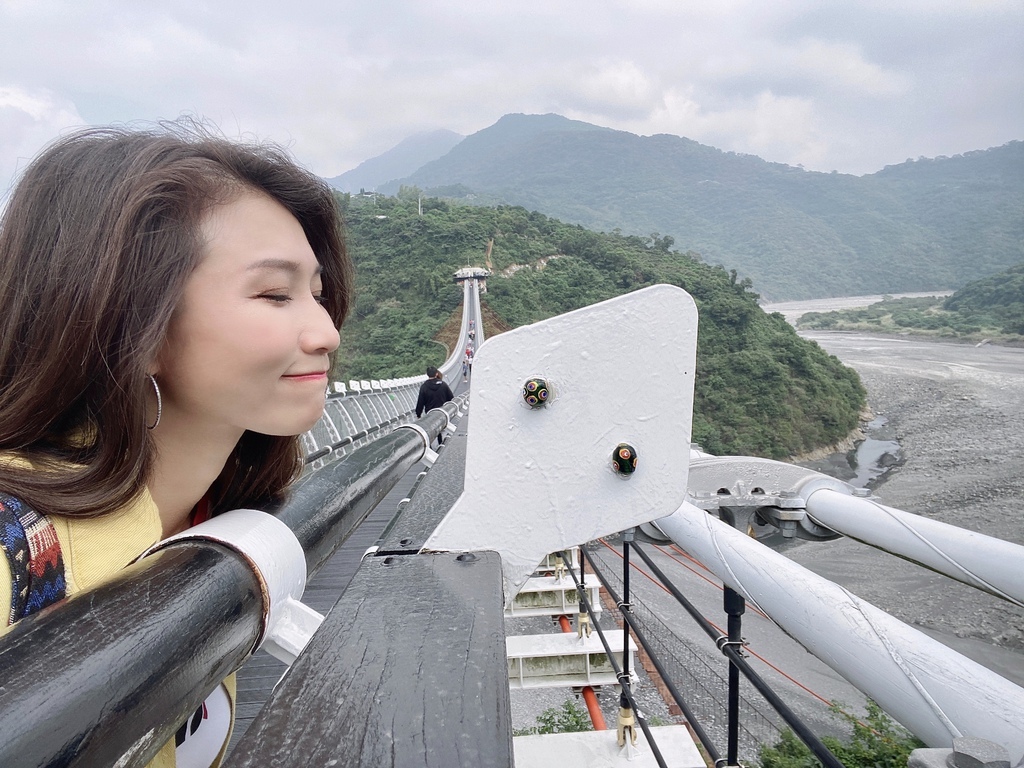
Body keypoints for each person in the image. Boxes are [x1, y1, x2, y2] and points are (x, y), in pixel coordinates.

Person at [0, 123, 353, 767]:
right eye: (275, 294)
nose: (326, 331)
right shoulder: (13, 552)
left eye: (317, 295)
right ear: (135, 320)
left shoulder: (209, 515)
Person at [415, 366, 454, 447]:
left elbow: (420, 402)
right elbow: (451, 398)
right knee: (443, 428)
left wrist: (418, 414)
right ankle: (442, 445)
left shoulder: (424, 387)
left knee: (433, 429)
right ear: (436, 374)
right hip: (443, 411)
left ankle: (432, 448)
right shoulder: (443, 385)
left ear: (427, 374)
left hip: (430, 413)